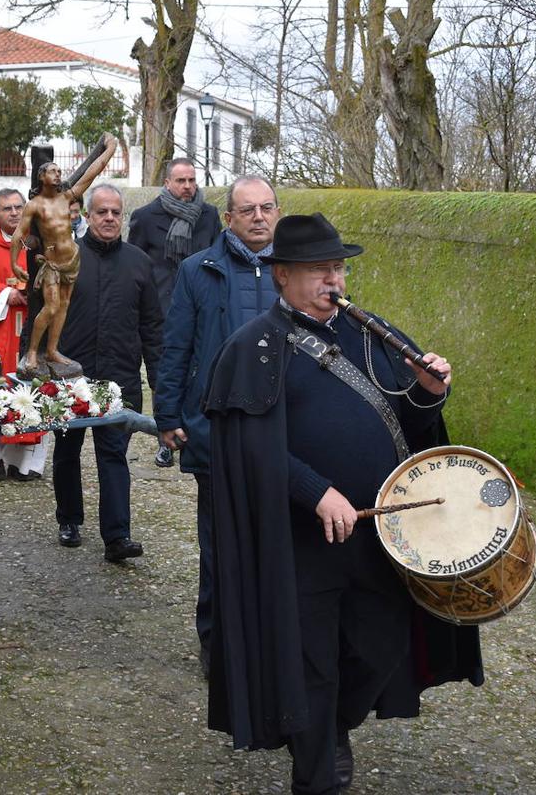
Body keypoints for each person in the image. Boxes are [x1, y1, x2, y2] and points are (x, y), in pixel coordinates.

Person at [201, 213, 484, 794]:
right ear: (282, 276)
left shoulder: (371, 334)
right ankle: (317, 770)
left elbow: (412, 427)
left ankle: (333, 724)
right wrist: (316, 492)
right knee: (311, 662)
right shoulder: (252, 347)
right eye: (319, 270)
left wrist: (430, 396)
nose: (334, 280)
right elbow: (250, 450)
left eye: (338, 267)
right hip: (300, 545)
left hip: (380, 537)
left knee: (378, 649)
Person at [153, 175, 281, 678]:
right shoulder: (197, 270)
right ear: (228, 217)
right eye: (246, 209)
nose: (257, 217)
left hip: (284, 430)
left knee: (278, 543)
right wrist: (168, 416)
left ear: (277, 212)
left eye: (266, 208)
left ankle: (273, 639)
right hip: (218, 430)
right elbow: (177, 347)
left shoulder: (296, 270)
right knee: (221, 544)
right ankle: (218, 641)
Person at [52, 184, 162, 561]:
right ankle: (69, 518)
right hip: (71, 374)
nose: (110, 218)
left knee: (113, 454)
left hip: (120, 376)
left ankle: (117, 536)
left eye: (116, 212)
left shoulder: (139, 263)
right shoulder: (67, 259)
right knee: (67, 451)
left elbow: (152, 327)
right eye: (102, 212)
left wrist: (159, 381)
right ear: (88, 214)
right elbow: (44, 314)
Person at [129, 157, 222, 469]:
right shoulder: (144, 218)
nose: (187, 187)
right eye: (181, 181)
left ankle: (196, 431)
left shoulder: (208, 215)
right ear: (167, 183)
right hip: (161, 309)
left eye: (192, 180)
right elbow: (136, 266)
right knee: (163, 376)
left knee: (200, 371)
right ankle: (165, 438)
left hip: (203, 306)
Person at [10, 133, 118, 378]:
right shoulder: (35, 205)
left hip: (72, 260)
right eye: (53, 171)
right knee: (50, 307)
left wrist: (110, 148)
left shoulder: (67, 197)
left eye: (59, 172)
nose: (58, 175)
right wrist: (14, 265)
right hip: (52, 265)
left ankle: (52, 350)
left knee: (64, 307)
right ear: (42, 176)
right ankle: (32, 352)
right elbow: (18, 235)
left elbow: (94, 171)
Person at [0, 188, 46, 482]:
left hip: (30, 325)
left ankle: (24, 462)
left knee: (30, 388)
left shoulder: (36, 243)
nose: (14, 212)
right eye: (7, 208)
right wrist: (6, 293)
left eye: (19, 207)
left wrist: (31, 294)